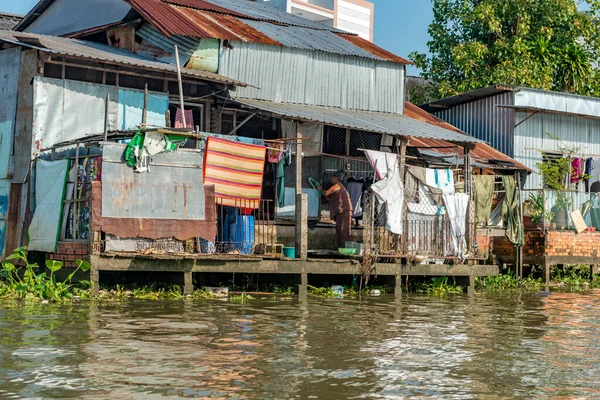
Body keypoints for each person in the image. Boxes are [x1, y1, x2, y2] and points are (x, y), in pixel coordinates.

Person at [319, 173, 353, 248]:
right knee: (339, 230)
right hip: (341, 211)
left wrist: (321, 189)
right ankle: (341, 247)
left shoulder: (337, 185)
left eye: (333, 177)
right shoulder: (338, 187)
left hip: (345, 210)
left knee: (344, 230)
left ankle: (344, 248)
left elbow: (326, 192)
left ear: (337, 178)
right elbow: (330, 199)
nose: (332, 179)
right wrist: (322, 191)